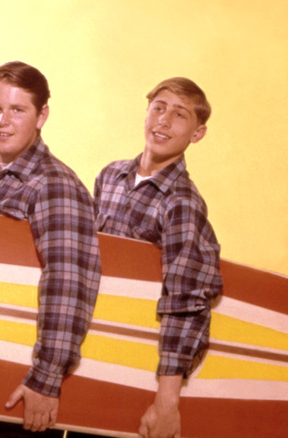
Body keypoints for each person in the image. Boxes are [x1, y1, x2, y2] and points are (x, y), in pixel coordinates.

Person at [0, 61, 101, 436]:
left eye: (17, 109)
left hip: (19, 378)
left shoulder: (56, 186)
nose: (2, 121)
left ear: (42, 116)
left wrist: (46, 378)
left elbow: (69, 285)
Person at [92, 77, 222, 438]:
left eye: (179, 115)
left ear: (197, 134)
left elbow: (185, 301)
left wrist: (167, 402)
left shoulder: (181, 203)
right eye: (159, 107)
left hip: (138, 359)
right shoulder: (111, 176)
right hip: (93, 347)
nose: (164, 121)